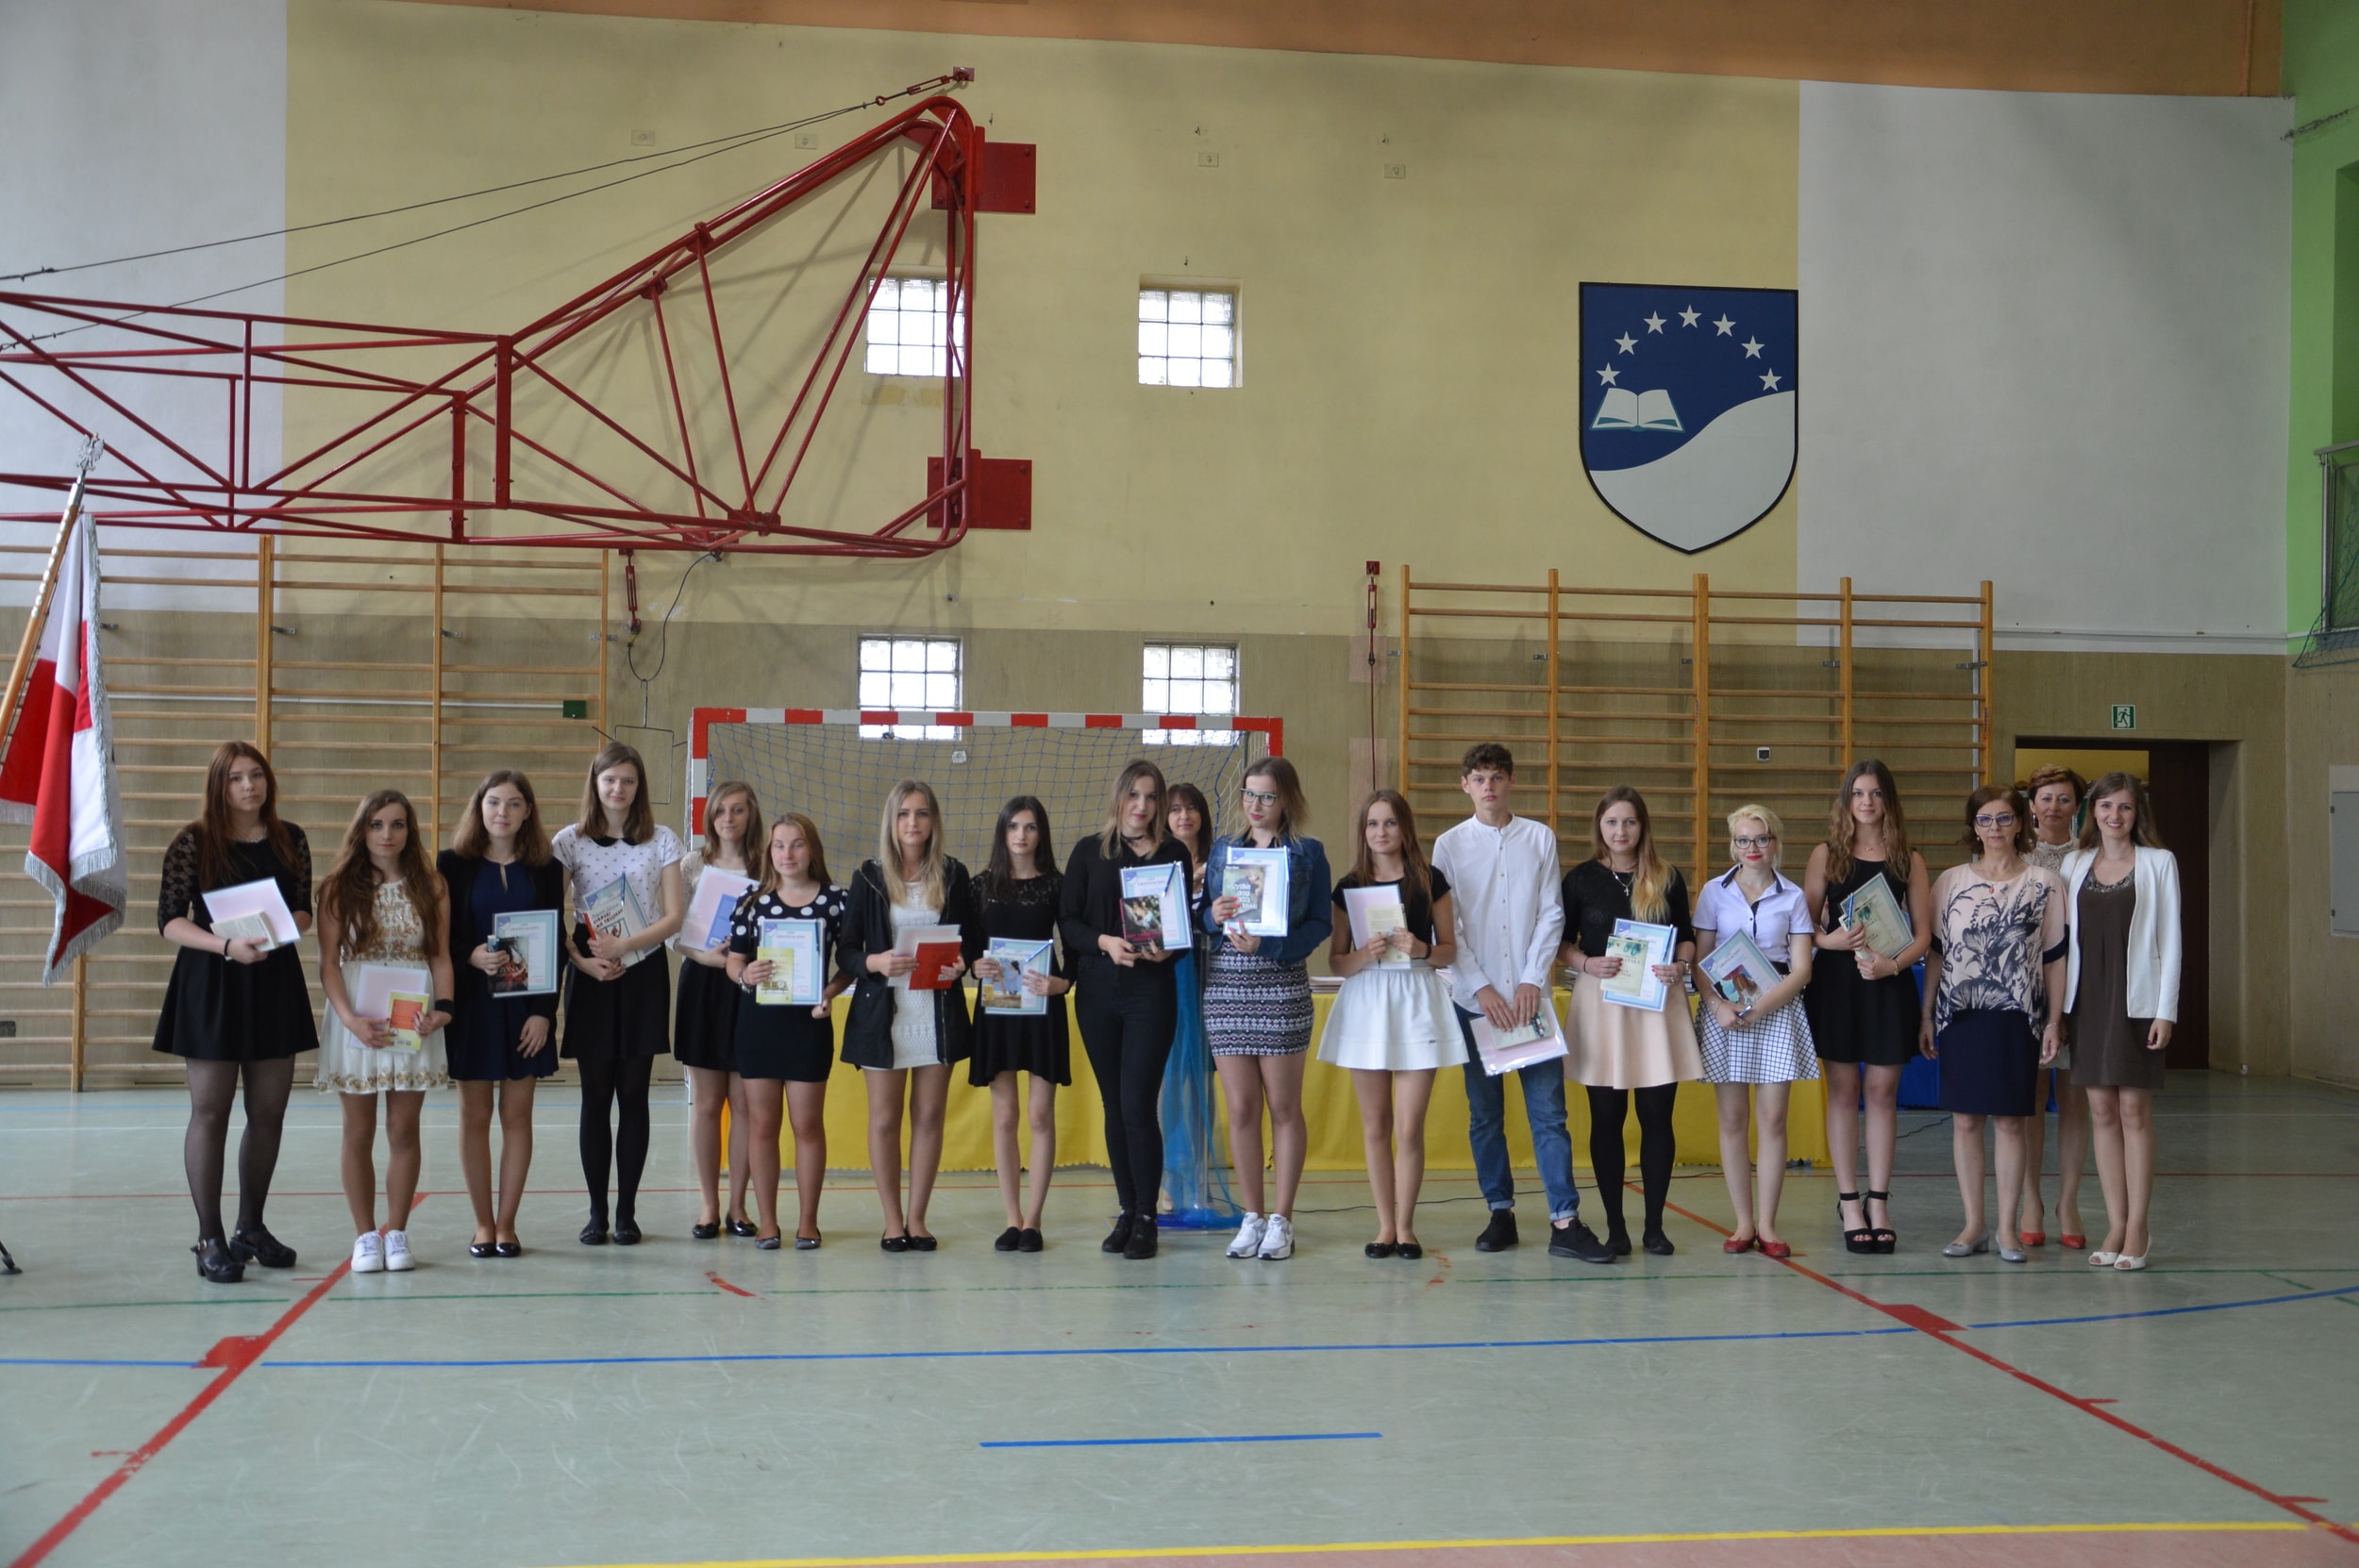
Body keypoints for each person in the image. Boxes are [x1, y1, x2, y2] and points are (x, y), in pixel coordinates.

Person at [1430, 742, 1614, 1264]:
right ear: (1465, 785)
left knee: (1549, 1114)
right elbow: (1449, 925)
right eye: (1478, 778)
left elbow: (1552, 914)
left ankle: (1564, 1221)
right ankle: (1500, 1212)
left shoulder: (1539, 837)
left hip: (1531, 1001)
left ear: (1511, 781)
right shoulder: (1448, 845)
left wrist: (1533, 979)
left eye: (1496, 777)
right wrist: (1482, 987)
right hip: (1475, 1002)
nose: (1488, 787)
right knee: (1485, 1116)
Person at [153, 742, 317, 1284]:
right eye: (236, 778)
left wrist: (280, 930)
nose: (249, 786)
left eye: (256, 775)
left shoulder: (291, 837)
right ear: (219, 786)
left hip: (273, 979)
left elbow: (303, 909)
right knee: (211, 1112)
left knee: (269, 1112)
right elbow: (170, 920)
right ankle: (210, 1237)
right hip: (212, 982)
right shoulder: (193, 841)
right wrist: (226, 946)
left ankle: (251, 1227)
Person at [1920, 786, 2066, 1264]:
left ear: (2020, 823)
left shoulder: (2045, 883)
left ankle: (2007, 1228)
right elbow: (1936, 956)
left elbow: (2054, 960)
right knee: (1965, 1120)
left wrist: (2054, 1021)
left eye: (2004, 818)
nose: (1995, 829)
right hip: (1961, 1014)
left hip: (2017, 1016)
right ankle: (1973, 1225)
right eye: (1985, 820)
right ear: (1974, 827)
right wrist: (1927, 1014)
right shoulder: (1950, 881)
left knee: (2009, 1121)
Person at [1316, 790, 1462, 1259]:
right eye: (1373, 824)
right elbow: (1337, 962)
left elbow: (1449, 951)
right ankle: (1384, 1226)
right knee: (1376, 1123)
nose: (1381, 832)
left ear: (1405, 828)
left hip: (1417, 996)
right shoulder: (1349, 886)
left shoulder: (1430, 879)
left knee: (1409, 1126)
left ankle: (1406, 1226)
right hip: (1368, 1001)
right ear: (1363, 832)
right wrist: (1364, 954)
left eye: (1390, 823)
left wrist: (1421, 949)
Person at [550, 742, 685, 1246]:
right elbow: (553, 915)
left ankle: (627, 1212)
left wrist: (625, 946)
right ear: (595, 783)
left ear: (639, 786)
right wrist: (582, 961)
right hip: (592, 975)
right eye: (610, 779)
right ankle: (597, 1213)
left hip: (642, 972)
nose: (618, 788)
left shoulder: (662, 839)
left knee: (633, 1096)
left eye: (628, 780)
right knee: (594, 1097)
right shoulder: (568, 841)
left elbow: (673, 916)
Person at [314, 790, 454, 1275]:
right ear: (362, 830)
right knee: (358, 1130)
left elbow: (440, 955)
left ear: (410, 831)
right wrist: (350, 1018)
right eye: (376, 824)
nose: (387, 834)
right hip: (357, 1015)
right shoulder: (338, 887)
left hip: (411, 1016)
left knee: (403, 1128)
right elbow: (328, 964)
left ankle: (397, 1232)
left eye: (397, 824)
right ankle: (364, 1236)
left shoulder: (431, 885)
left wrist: (443, 1010)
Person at [840, 779, 983, 1252]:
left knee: (929, 1118)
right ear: (892, 821)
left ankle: (918, 1219)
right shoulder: (868, 876)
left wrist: (962, 962)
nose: (912, 822)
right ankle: (892, 1221)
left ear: (933, 820)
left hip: (937, 1013)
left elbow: (971, 942)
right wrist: (875, 962)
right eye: (903, 814)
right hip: (884, 1015)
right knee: (885, 1120)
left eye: (921, 813)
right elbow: (846, 951)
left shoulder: (954, 874)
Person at [1560, 787, 1701, 1258]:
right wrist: (1586, 963)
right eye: (1612, 822)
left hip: (1658, 1006)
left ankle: (1655, 1227)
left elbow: (1686, 937)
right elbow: (1560, 943)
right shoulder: (1580, 879)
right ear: (1599, 827)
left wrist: (1681, 965)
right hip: (1603, 1007)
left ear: (1643, 826)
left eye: (1629, 822)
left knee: (1657, 1118)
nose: (1620, 831)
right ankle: (1616, 1228)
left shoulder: (1667, 876)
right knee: (1607, 1120)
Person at [1061, 760, 1192, 1259]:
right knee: (1114, 1106)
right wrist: (1104, 942)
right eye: (1134, 795)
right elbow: (1068, 922)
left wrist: (1166, 951)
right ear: (1119, 797)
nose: (1142, 805)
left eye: (1151, 797)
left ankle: (1146, 1218)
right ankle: (1127, 1209)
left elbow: (1179, 929)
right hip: (1097, 991)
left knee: (1138, 1105)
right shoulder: (1089, 852)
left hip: (1150, 993)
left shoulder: (1172, 854)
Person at [1204, 757, 1332, 1262]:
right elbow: (1206, 916)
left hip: (1280, 986)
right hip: (1226, 987)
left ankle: (1282, 1219)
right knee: (1240, 1108)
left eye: (1267, 796)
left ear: (1287, 800)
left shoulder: (1308, 853)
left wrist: (1273, 947)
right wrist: (1212, 916)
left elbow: (1319, 923)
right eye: (1249, 794)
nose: (1255, 805)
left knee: (1283, 1107)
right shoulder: (1223, 850)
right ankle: (1251, 1216)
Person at [1803, 759, 1932, 1255]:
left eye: (1876, 793)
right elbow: (1804, 927)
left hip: (1887, 982)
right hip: (1837, 983)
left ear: (1888, 800)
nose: (1867, 802)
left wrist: (1891, 966)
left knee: (1881, 1092)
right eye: (1858, 793)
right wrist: (1829, 941)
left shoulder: (1908, 859)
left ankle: (1878, 1201)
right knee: (1843, 1092)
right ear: (1847, 800)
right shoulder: (1827, 855)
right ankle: (1848, 1202)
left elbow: (1923, 936)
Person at [440, 771, 564, 1259]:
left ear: (528, 811)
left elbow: (554, 943)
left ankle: (507, 1224)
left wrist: (544, 1013)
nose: (503, 812)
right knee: (474, 1117)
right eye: (494, 802)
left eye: (514, 804)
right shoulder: (452, 864)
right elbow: (438, 940)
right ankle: (482, 1224)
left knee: (517, 1116)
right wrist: (469, 956)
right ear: (480, 807)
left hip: (524, 1010)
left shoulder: (547, 868)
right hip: (473, 1006)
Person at [2061, 772, 2182, 1271]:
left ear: (2137, 813)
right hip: (2087, 1001)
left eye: (2125, 807)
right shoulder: (2073, 864)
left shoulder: (2159, 862)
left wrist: (2166, 1011)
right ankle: (2115, 1221)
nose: (2115, 815)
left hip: (2137, 1002)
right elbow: (2061, 941)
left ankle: (2138, 1227)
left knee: (2133, 1111)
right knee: (2101, 1112)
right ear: (2093, 811)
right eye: (2106, 806)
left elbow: (2171, 939)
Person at [1691, 805, 1818, 1259]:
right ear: (1733, 845)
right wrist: (1718, 1006)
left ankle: (1768, 1225)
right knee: (1732, 1120)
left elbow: (1801, 969)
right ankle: (1743, 1223)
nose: (1752, 848)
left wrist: (1759, 1008)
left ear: (1775, 843)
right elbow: (1699, 963)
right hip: (1725, 1014)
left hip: (1776, 1011)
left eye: (1761, 839)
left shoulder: (1794, 897)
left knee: (1773, 1120)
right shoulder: (1713, 892)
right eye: (1743, 840)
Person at [727, 813, 851, 1248]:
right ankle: (767, 1222)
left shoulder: (837, 901)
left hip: (809, 1025)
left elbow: (850, 963)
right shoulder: (751, 902)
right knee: (762, 1125)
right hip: (759, 1024)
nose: (787, 854)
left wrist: (830, 992)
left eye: (796, 844)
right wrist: (746, 975)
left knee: (807, 1125)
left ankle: (808, 1222)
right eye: (779, 845)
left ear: (811, 848)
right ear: (769, 852)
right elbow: (734, 960)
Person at [969, 797, 1073, 1252]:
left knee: (1039, 1115)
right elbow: (967, 947)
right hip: (998, 1009)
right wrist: (975, 966)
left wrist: (1062, 983)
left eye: (1030, 827)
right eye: (1013, 826)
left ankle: (1034, 1220)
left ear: (1041, 834)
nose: (1021, 835)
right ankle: (1012, 1218)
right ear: (1002, 831)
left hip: (1042, 1006)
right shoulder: (980, 886)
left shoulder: (1057, 885)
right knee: (1006, 1114)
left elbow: (1076, 946)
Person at [675, 781, 761, 1241]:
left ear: (751, 815)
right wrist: (708, 956)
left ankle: (738, 1206)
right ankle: (709, 1205)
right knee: (708, 1104)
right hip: (704, 987)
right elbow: (676, 933)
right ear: (710, 817)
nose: (728, 818)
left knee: (744, 1104)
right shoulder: (692, 864)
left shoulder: (768, 865)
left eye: (738, 810)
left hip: (750, 987)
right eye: (721, 810)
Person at [2020, 763, 2090, 1249]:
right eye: (2046, 798)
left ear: (2077, 807)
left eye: (2064, 799)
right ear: (2032, 806)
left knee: (2074, 1096)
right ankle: (2031, 1199)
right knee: (2030, 1096)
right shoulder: (2018, 855)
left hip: (2082, 984)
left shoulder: (2090, 856)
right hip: (2027, 985)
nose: (2054, 807)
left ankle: (2069, 1200)